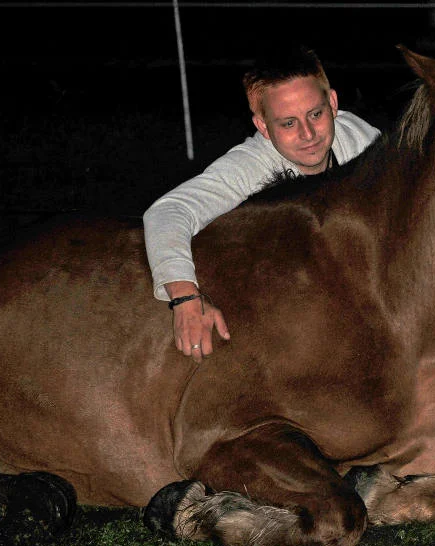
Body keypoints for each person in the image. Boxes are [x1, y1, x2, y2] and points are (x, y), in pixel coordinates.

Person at [143, 47, 381, 362]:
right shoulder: (252, 165)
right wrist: (186, 300)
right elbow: (167, 212)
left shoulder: (364, 139)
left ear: (333, 104)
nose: (308, 133)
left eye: (315, 114)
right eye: (287, 124)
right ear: (264, 127)